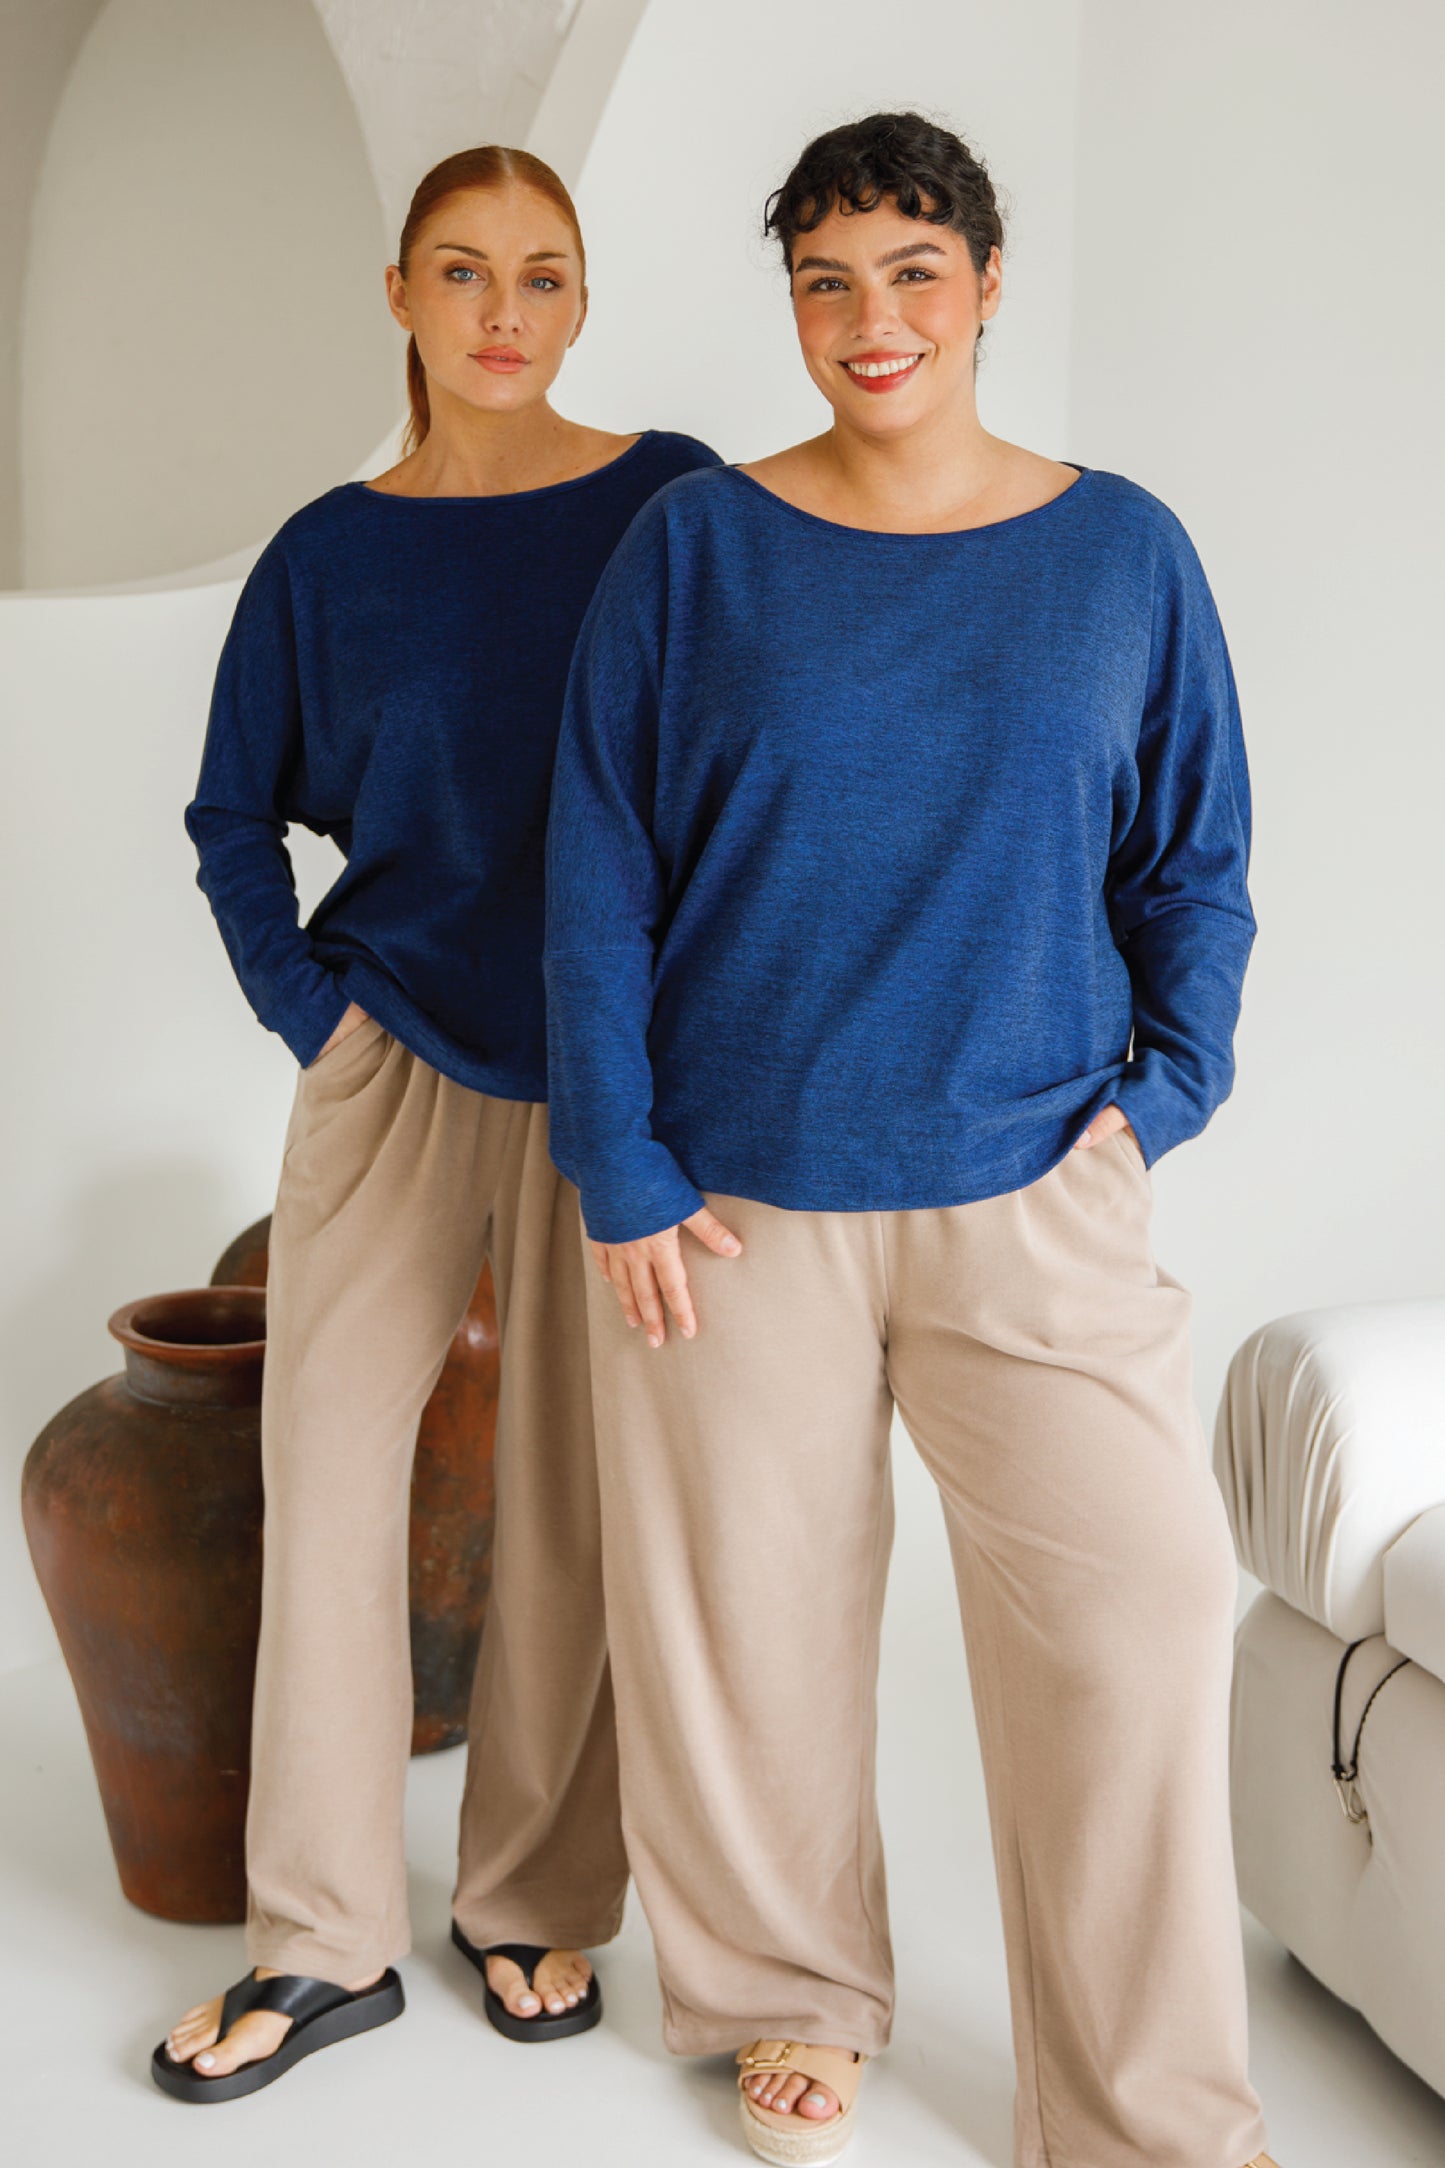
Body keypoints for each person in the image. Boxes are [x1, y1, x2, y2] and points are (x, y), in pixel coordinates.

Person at [543, 111, 1278, 2168]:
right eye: (827, 280)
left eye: (912, 272)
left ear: (986, 284)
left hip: (1032, 1185)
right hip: (728, 1202)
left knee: (1139, 1615)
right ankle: (789, 1995)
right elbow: (595, 864)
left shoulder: (1120, 552)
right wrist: (618, 1159)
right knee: (749, 1632)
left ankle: (1143, 2110)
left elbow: (1195, 861)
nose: (872, 319)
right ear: (792, 301)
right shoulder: (695, 546)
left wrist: (1158, 1099)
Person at [152, 144, 720, 2103]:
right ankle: (319, 1939)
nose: (504, 311)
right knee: (327, 1473)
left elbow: (742, 766)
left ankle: (532, 1892)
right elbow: (233, 814)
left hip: (610, 1065)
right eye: (464, 271)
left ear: (583, 300)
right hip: (390, 1049)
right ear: (399, 292)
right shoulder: (328, 555)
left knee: (572, 1492)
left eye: (542, 274)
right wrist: (314, 1021)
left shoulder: (668, 506)